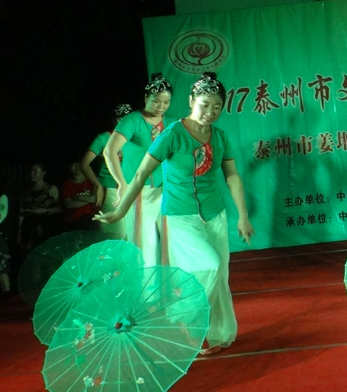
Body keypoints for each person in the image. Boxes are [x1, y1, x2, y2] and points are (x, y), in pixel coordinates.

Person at [97, 73, 254, 356]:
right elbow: (140, 174)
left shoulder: (220, 137)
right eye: (204, 105)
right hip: (181, 217)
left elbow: (232, 176)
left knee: (220, 276)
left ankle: (217, 334)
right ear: (191, 101)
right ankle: (182, 316)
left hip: (215, 215)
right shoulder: (172, 134)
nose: (210, 112)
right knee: (209, 265)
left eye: (217, 106)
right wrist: (120, 210)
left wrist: (243, 216)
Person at [104, 74, 174, 266]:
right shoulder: (132, 120)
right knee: (143, 242)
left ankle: (170, 281)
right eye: (156, 101)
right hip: (139, 189)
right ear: (145, 98)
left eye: (166, 102)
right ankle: (145, 283)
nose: (161, 106)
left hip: (167, 189)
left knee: (171, 240)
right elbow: (109, 151)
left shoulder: (171, 123)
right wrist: (121, 183)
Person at [80, 104, 132, 239]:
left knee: (132, 232)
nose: (123, 122)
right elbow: (84, 164)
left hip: (132, 188)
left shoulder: (135, 138)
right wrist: (97, 185)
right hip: (110, 188)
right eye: (120, 119)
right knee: (117, 232)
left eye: (126, 119)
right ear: (113, 120)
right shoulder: (103, 138)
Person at [17, 163, 61, 253]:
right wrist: (19, 232)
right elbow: (21, 212)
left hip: (46, 226)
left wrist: (45, 211)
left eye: (35, 171)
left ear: (43, 173)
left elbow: (60, 208)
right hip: (29, 227)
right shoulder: (26, 191)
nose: (31, 174)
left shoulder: (51, 189)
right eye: (31, 171)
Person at [61, 161, 99, 230]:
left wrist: (76, 197)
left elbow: (94, 198)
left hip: (91, 219)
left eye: (79, 164)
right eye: (74, 164)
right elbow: (69, 204)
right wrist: (89, 199)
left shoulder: (92, 181)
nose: (77, 167)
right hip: (73, 221)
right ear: (69, 167)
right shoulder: (67, 184)